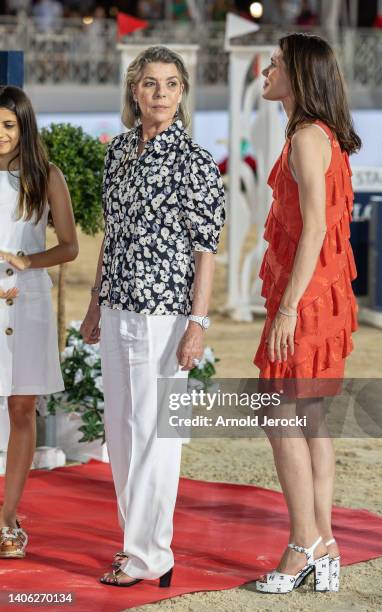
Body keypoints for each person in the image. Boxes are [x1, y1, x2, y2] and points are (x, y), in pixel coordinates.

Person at [80, 45, 225, 588]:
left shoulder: (195, 161)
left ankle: (149, 555)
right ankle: (136, 545)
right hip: (117, 307)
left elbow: (206, 249)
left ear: (182, 93)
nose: (160, 94)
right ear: (134, 92)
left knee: (158, 435)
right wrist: (95, 303)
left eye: (170, 84)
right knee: (120, 433)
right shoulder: (116, 152)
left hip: (167, 315)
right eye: (149, 84)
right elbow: (111, 235)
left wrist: (198, 323)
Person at [254, 33, 360, 594]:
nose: (263, 71)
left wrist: (289, 307)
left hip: (308, 301)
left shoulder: (304, 138)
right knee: (309, 420)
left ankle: (303, 544)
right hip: (323, 297)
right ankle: (324, 541)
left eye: (273, 64)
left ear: (297, 75)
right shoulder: (321, 135)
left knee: (280, 419)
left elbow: (316, 227)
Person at [0, 85, 78, 557]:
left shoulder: (45, 176)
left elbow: (68, 245)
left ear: (24, 126)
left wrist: (27, 262)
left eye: (9, 124)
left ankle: (7, 519)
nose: (1, 134)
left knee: (21, 408)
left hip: (26, 303)